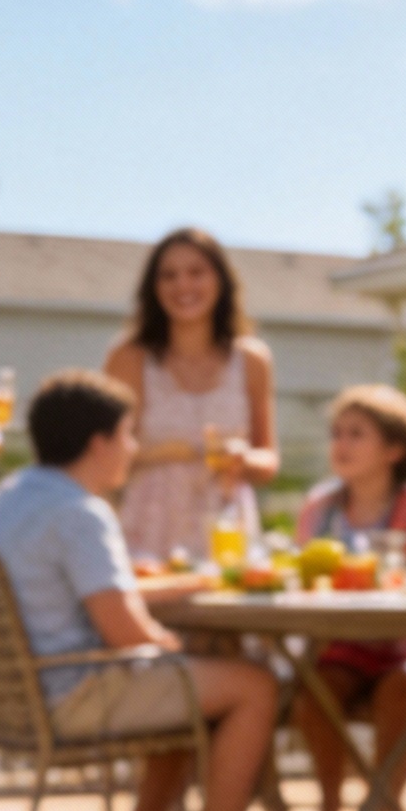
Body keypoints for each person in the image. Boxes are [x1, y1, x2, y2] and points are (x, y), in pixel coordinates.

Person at [0, 370, 297, 811]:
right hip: (72, 693)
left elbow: (90, 593)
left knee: (195, 676)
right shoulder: (80, 513)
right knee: (252, 687)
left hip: (11, 698)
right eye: (128, 435)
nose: (134, 449)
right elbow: (125, 632)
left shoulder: (4, 500)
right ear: (99, 443)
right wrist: (173, 645)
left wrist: (184, 593)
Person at [283, 386, 406, 811]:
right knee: (317, 690)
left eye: (357, 434)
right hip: (337, 644)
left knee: (404, 693)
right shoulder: (321, 507)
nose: (342, 444)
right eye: (337, 433)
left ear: (394, 449)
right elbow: (300, 579)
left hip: (401, 645)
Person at [101, 228, 276, 565]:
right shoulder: (129, 357)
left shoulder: (252, 360)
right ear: (153, 287)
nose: (183, 285)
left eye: (196, 272)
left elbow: (268, 460)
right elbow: (99, 455)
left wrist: (242, 459)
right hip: (146, 528)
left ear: (220, 280)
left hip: (226, 527)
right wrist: (176, 451)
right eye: (169, 275)